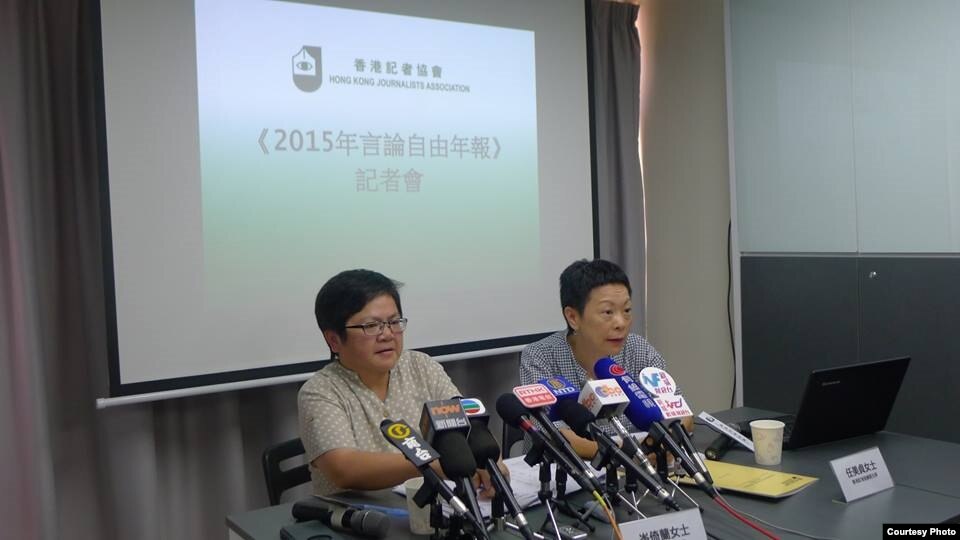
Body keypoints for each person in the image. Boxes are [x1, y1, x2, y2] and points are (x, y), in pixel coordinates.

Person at [299, 269, 497, 497]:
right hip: (362, 514)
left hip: (438, 506)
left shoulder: (420, 366)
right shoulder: (320, 391)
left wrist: (490, 463)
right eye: (371, 326)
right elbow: (344, 469)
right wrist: (437, 464)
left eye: (394, 322)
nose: (387, 334)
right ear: (334, 340)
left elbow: (468, 426)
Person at [519, 258, 692, 458]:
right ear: (573, 317)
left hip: (642, 465)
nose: (621, 323)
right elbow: (552, 434)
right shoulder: (540, 356)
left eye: (627, 310)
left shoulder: (639, 350)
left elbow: (681, 414)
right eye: (608, 312)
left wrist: (661, 444)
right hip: (568, 470)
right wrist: (628, 455)